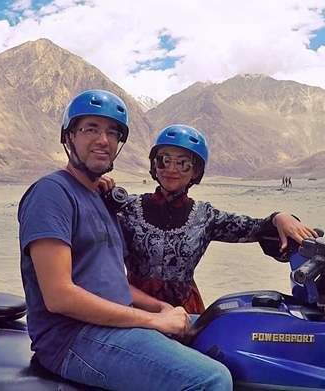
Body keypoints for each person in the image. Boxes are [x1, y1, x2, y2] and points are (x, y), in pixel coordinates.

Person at [18, 91, 232, 390]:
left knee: (228, 332)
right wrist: (153, 321)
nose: (103, 140)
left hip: (110, 327)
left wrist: (159, 307)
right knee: (211, 379)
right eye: (91, 128)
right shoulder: (51, 194)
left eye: (112, 132)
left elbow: (109, 281)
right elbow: (59, 296)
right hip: (73, 338)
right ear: (68, 137)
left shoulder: (98, 198)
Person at [115, 124, 317, 314]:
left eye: (183, 163)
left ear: (196, 171)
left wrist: (279, 217)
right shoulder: (127, 207)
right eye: (164, 160)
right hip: (134, 306)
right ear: (154, 165)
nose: (171, 169)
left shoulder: (205, 216)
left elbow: (254, 228)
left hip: (185, 312)